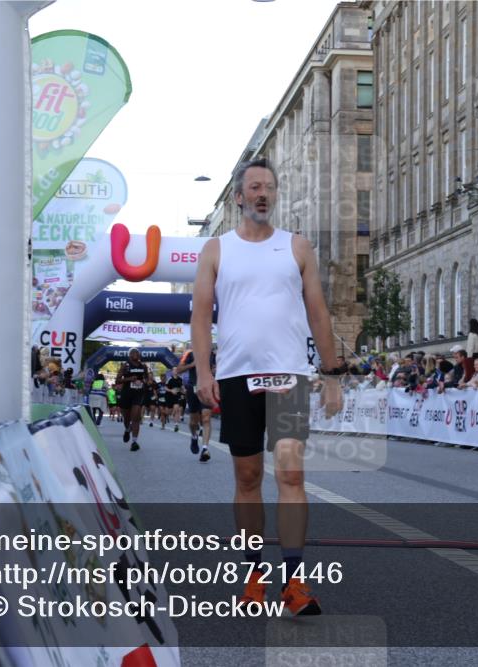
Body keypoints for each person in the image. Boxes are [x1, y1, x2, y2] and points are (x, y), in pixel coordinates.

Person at [190, 158, 342, 616]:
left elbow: (318, 311)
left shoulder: (296, 247)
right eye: (253, 187)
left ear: (275, 196)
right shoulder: (216, 249)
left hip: (289, 375)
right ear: (238, 196)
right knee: (248, 477)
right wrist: (203, 371)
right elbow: (200, 315)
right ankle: (254, 575)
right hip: (236, 377)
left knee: (292, 474)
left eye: (269, 188)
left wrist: (332, 374)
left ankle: (294, 582)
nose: (261, 194)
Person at [176, 347, 215, 462]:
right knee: (194, 421)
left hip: (208, 388)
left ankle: (205, 449)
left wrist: (214, 370)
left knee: (206, 418)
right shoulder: (190, 354)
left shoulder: (213, 355)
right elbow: (178, 369)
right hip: (193, 388)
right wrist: (192, 364)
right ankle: (194, 436)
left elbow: (217, 369)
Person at [114, 348, 150, 450]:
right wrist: (130, 379)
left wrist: (144, 381)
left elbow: (147, 378)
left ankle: (134, 442)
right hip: (126, 394)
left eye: (137, 353)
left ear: (139, 355)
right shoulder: (125, 366)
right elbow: (117, 380)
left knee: (136, 418)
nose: (135, 355)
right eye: (133, 353)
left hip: (138, 394)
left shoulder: (143, 366)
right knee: (127, 418)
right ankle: (127, 429)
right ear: (129, 355)